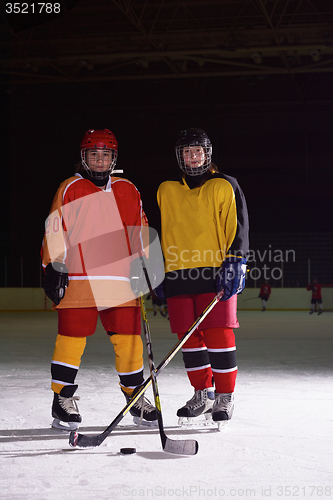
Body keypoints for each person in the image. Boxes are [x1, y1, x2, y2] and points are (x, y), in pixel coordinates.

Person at [41, 128, 157, 430]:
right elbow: (56, 227)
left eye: (106, 155)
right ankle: (62, 399)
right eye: (94, 154)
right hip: (79, 278)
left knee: (130, 342)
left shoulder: (128, 189)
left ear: (113, 158)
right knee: (72, 338)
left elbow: (140, 229)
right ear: (84, 157)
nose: (100, 160)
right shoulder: (71, 187)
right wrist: (53, 265)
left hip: (119, 281)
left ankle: (135, 399)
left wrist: (148, 263)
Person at [157, 128, 249, 426]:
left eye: (198, 151)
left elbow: (239, 226)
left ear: (207, 154)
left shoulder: (225, 185)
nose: (192, 156)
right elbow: (160, 231)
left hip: (216, 272)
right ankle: (203, 394)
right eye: (187, 152)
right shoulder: (166, 190)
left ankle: (224, 397)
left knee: (218, 335)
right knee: (190, 339)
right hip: (178, 274)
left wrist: (236, 261)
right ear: (179, 156)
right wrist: (157, 269)